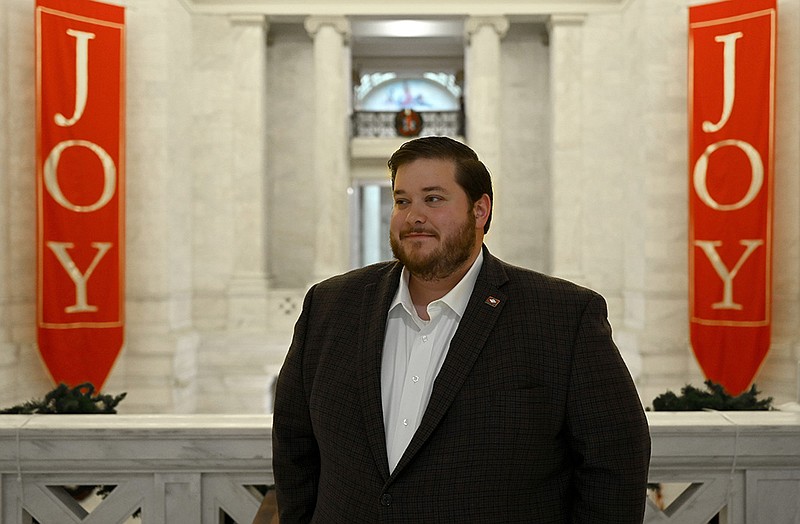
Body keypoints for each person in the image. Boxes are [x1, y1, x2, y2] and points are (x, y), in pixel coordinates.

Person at [268, 136, 651, 523]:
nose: (413, 216)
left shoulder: (563, 317)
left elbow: (615, 462)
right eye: (403, 201)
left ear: (480, 209)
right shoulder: (331, 306)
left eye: (433, 199)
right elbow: (294, 446)